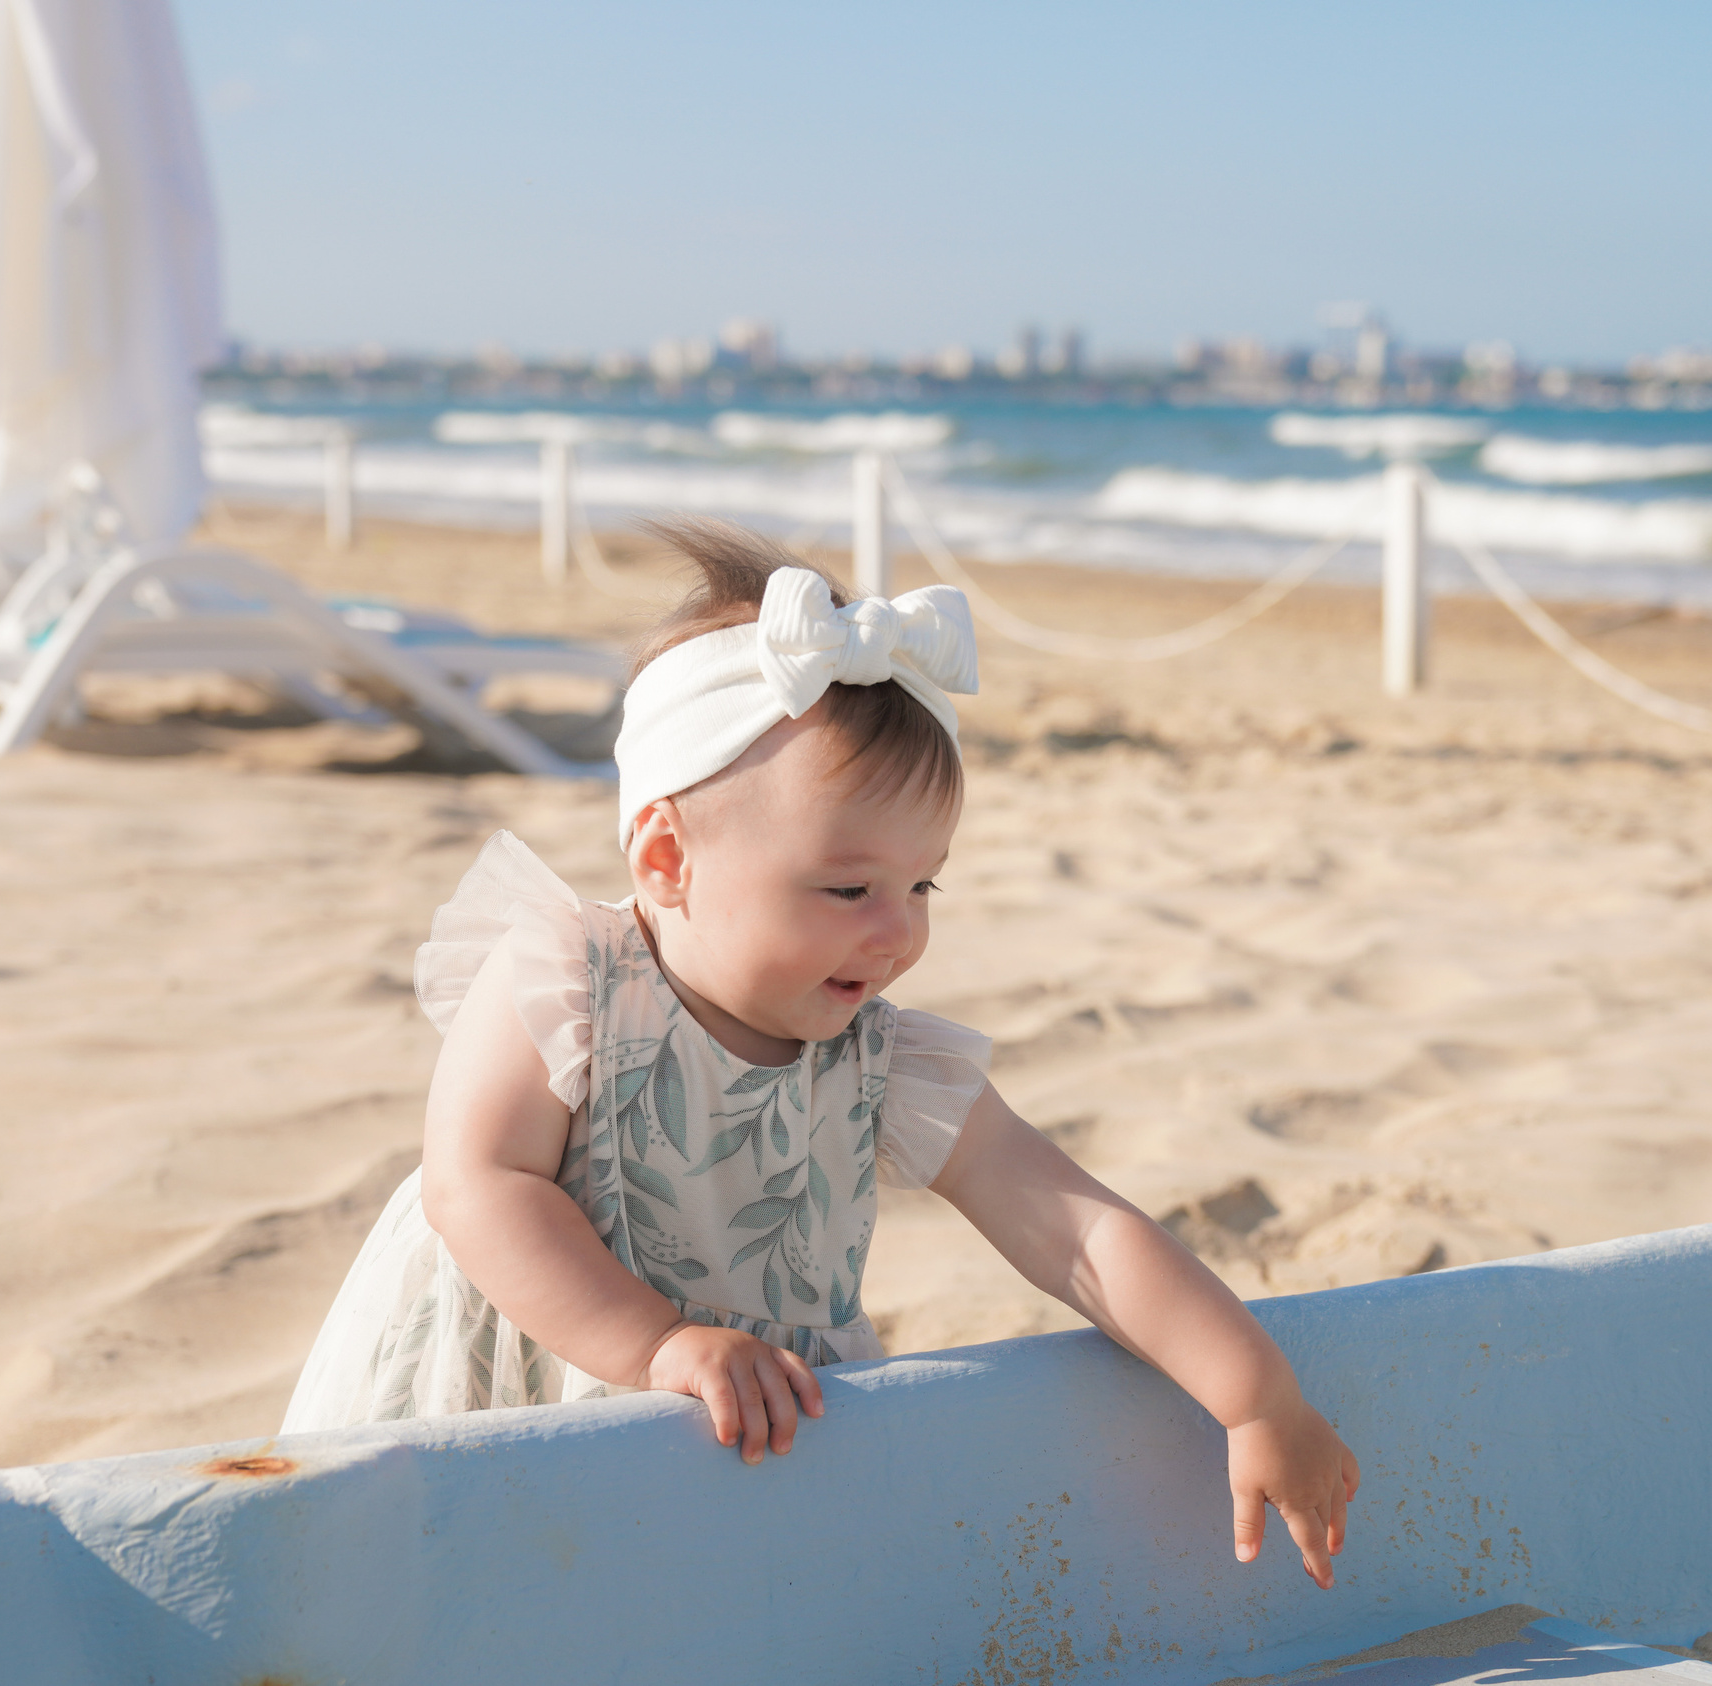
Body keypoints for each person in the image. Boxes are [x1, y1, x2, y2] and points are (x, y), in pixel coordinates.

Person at [284, 520, 1360, 1587]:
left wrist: (1254, 1395)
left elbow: (1071, 1226)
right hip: (527, 1375)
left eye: (921, 885)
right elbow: (478, 1185)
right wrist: (656, 1345)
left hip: (750, 1416)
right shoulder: (569, 981)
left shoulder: (880, 1064)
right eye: (849, 889)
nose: (895, 931)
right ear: (667, 858)